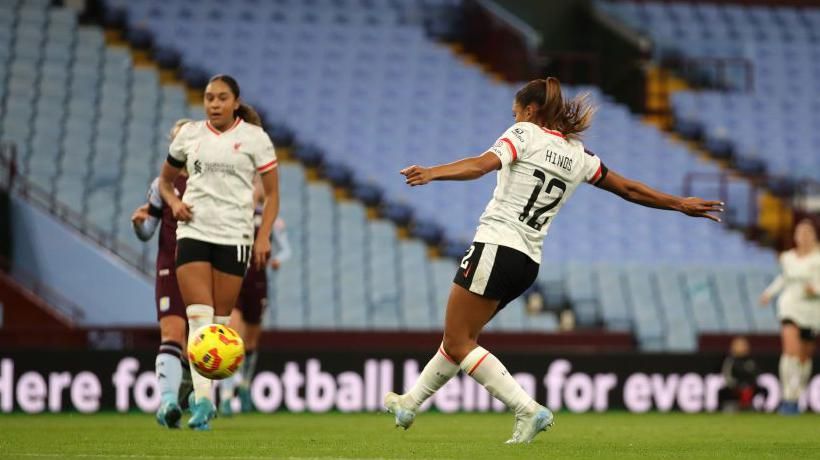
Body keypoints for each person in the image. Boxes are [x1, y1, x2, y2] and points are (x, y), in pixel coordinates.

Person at [385, 77, 723, 444]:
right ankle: (410, 402)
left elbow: (482, 165)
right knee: (460, 340)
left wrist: (432, 172)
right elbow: (628, 189)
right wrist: (679, 203)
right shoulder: (580, 156)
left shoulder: (524, 134)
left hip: (497, 245)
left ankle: (527, 409)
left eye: (516, 111)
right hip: (527, 261)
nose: (514, 116)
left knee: (458, 339)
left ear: (530, 111)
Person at [158, 74, 280, 430]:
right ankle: (203, 403)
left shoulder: (255, 139)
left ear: (236, 102)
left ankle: (200, 393)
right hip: (194, 232)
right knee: (199, 317)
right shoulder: (189, 135)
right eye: (209, 98)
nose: (213, 104)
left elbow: (272, 195)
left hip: (236, 237)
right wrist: (174, 202)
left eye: (221, 98)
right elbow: (164, 181)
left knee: (219, 325)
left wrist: (264, 236)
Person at [131, 118, 193, 429]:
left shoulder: (208, 183)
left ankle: (183, 400)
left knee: (196, 347)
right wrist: (139, 224)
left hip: (202, 270)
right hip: (170, 266)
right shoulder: (160, 185)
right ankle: (167, 402)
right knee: (171, 335)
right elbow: (148, 231)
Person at [219, 179, 291, 416]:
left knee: (250, 343)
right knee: (232, 339)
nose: (254, 187)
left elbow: (286, 248)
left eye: (257, 183)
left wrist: (280, 259)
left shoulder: (268, 218)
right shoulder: (232, 213)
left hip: (258, 282)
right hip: (234, 280)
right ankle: (227, 396)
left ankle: (245, 385)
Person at [759, 218, 820, 415]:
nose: (803, 236)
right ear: (795, 236)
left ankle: (797, 394)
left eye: (807, 233)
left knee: (804, 358)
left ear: (814, 236)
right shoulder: (787, 258)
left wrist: (816, 289)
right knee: (790, 352)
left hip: (812, 310)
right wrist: (769, 293)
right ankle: (787, 395)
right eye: (800, 232)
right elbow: (784, 278)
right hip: (790, 306)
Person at [718, 336, 761, 412]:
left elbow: (756, 375)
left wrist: (748, 385)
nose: (743, 347)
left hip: (750, 390)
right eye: (740, 345)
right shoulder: (730, 361)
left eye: (744, 345)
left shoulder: (751, 360)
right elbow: (727, 377)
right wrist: (738, 386)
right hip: (734, 390)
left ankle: (749, 406)